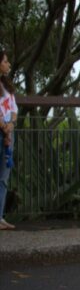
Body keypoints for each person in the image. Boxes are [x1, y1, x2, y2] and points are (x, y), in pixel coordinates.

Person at [0, 48, 17, 230]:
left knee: (3, 177)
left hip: (8, 133)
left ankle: (0, 216)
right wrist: (3, 126)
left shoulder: (7, 86)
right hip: (2, 131)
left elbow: (13, 109)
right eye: (5, 61)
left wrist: (10, 126)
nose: (8, 64)